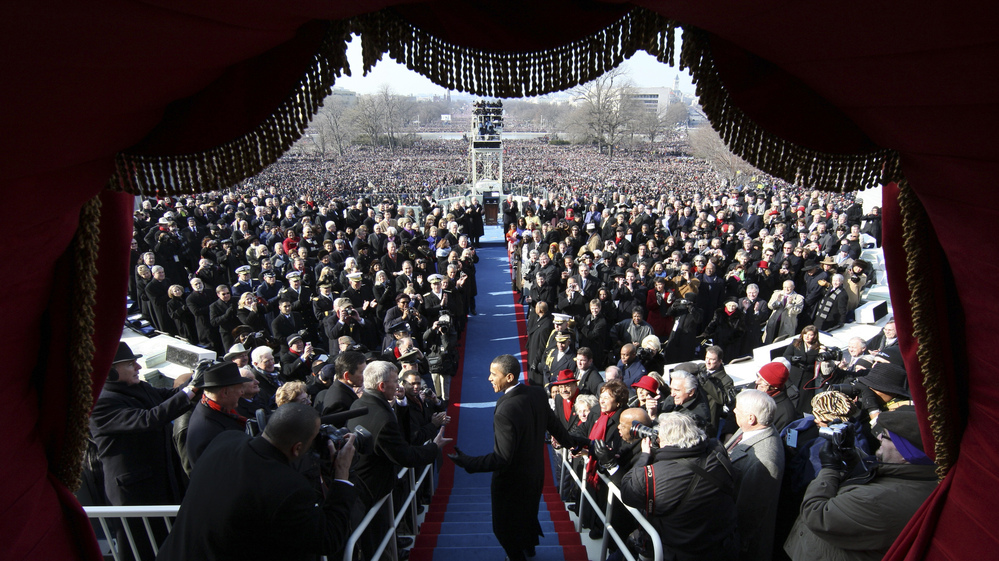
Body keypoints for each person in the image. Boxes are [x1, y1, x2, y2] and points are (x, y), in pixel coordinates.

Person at [155, 402, 357, 561]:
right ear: (297, 448)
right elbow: (328, 539)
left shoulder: (224, 440)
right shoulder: (289, 489)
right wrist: (341, 474)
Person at [448, 354, 588, 561]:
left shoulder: (505, 410)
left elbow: (502, 458)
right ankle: (529, 548)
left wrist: (468, 462)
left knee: (502, 528)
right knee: (528, 514)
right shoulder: (538, 394)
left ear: (510, 377)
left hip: (511, 483)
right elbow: (555, 425)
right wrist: (573, 444)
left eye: (494, 374)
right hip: (535, 476)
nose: (489, 378)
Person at [89, 342, 199, 560]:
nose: (138, 367)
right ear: (109, 372)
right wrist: (192, 389)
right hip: (134, 496)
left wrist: (199, 380)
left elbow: (171, 395)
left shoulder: (139, 387)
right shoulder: (101, 404)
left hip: (162, 483)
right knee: (143, 550)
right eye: (131, 364)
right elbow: (148, 419)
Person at [783, 409, 937, 561]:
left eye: (886, 436)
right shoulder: (917, 478)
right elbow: (878, 479)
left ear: (906, 454)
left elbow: (816, 513)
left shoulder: (879, 500)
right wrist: (852, 459)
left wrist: (830, 469)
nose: (879, 437)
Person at [347, 361, 449, 561]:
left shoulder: (360, 403)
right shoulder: (382, 418)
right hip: (374, 488)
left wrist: (401, 405)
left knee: (383, 531)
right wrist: (433, 447)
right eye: (395, 381)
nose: (399, 386)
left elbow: (400, 436)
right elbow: (405, 455)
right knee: (377, 541)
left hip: (366, 484)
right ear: (382, 386)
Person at [620, 412, 739, 561]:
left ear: (665, 440)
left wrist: (645, 456)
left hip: (679, 551)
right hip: (720, 547)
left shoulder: (652, 477)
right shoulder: (717, 452)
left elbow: (627, 491)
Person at [725, 390, 785, 561]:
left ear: (751, 418)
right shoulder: (751, 428)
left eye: (737, 409)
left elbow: (749, 515)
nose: (734, 411)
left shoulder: (766, 462)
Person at [186, 362, 252, 468]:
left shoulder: (214, 409)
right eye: (240, 388)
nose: (241, 392)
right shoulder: (209, 432)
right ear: (224, 393)